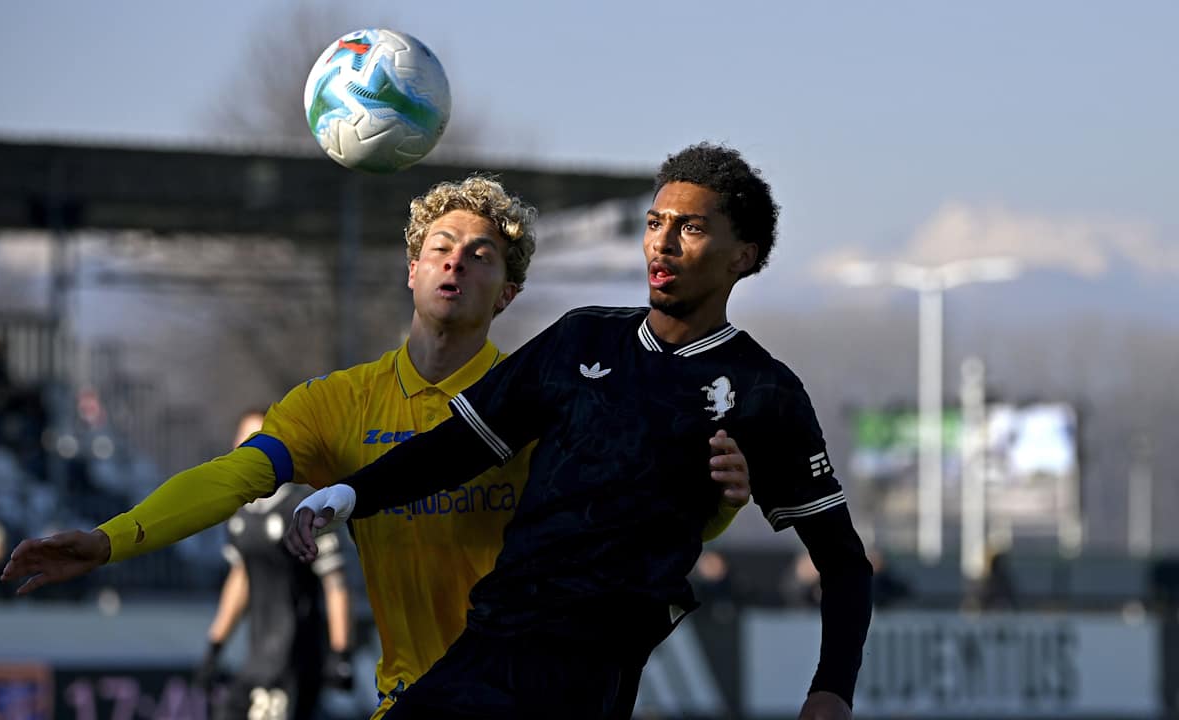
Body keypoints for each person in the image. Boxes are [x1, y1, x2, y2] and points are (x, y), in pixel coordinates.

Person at [0, 175, 752, 719]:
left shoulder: (553, 401)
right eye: (441, 247)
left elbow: (637, 526)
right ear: (412, 269)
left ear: (508, 294)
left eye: (482, 255)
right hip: (411, 695)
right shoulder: (336, 405)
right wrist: (111, 540)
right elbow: (234, 478)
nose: (456, 262)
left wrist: (718, 504)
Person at [288, 143, 875, 720]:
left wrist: (832, 688)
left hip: (589, 669)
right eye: (655, 222)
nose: (663, 242)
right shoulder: (580, 339)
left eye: (691, 228)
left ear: (742, 256)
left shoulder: (763, 391)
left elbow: (843, 562)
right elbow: (456, 447)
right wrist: (348, 494)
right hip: (490, 641)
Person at [195, 410, 353, 720]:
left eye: (260, 438)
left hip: (293, 659)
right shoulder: (240, 512)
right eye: (245, 439)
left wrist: (341, 652)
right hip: (256, 658)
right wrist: (215, 646)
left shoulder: (302, 506)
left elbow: (335, 582)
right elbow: (240, 577)